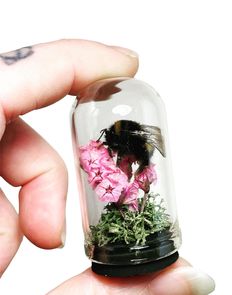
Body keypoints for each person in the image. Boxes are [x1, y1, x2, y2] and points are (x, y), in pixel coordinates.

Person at [0, 39, 215, 295]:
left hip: (138, 167)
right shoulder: (108, 138)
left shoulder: (131, 146)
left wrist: (130, 175)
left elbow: (133, 156)